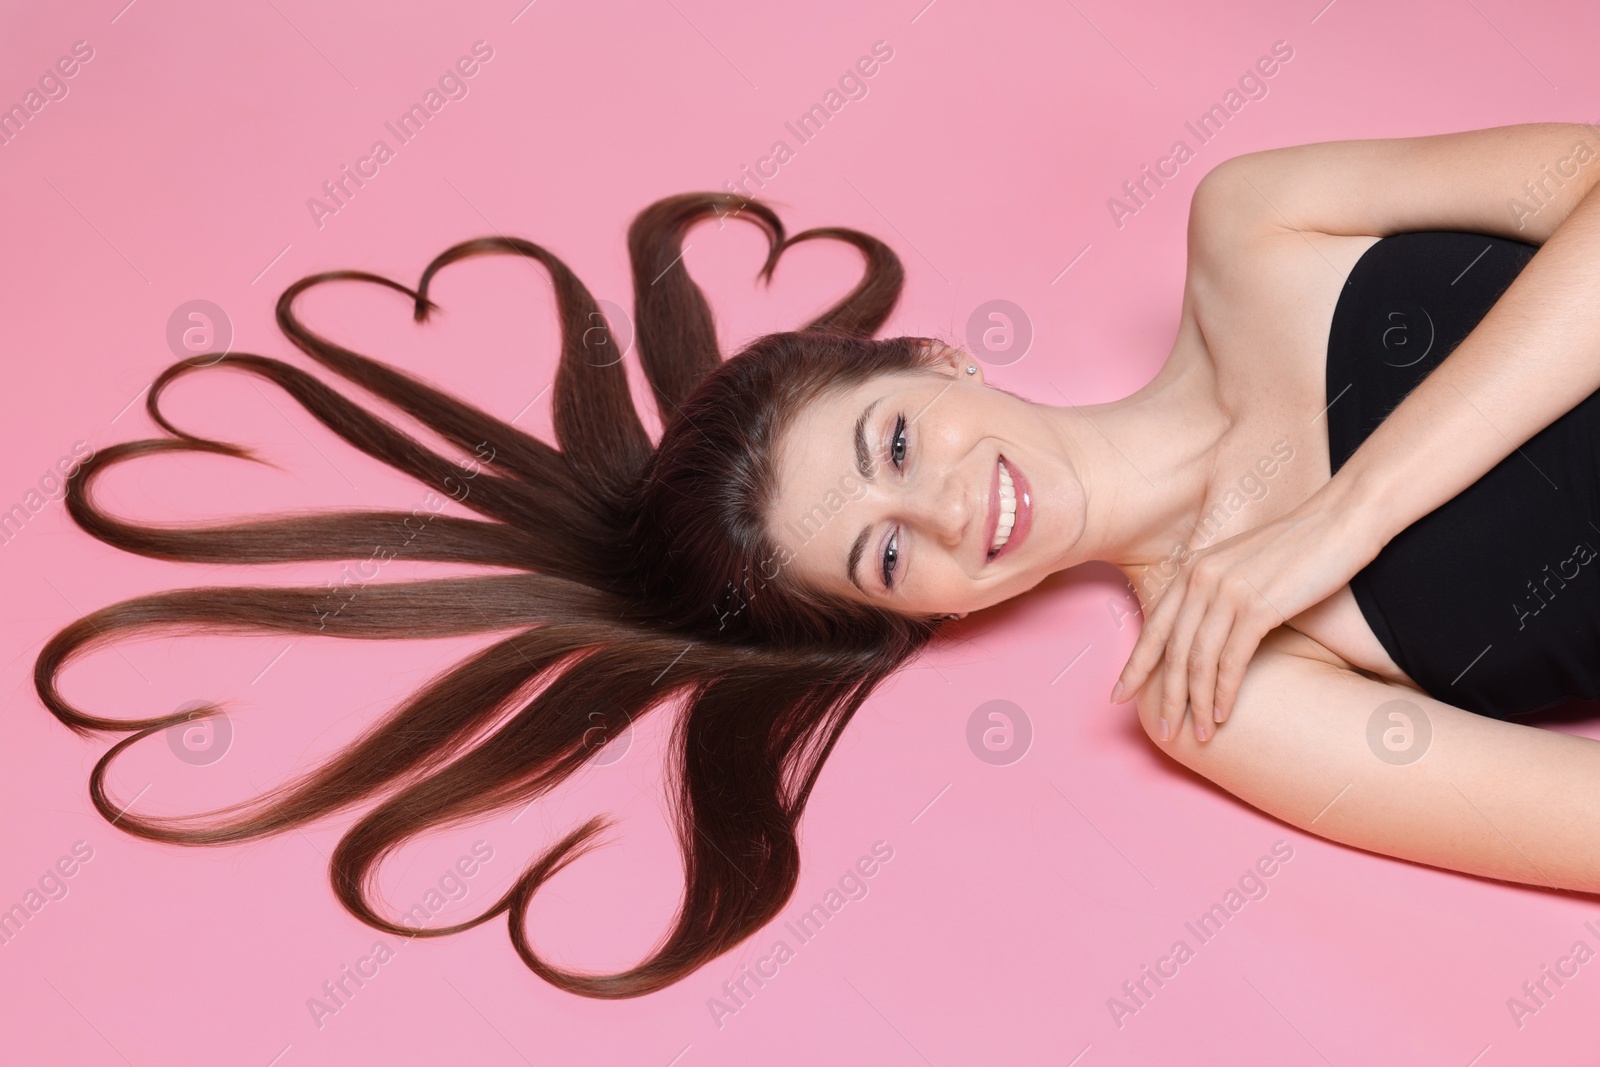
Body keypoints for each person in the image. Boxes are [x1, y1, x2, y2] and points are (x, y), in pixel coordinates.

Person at [36, 121, 1600, 1000]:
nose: (940, 513)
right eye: (882, 555)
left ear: (932, 360)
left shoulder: (1254, 225)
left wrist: (1347, 516)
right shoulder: (1218, 694)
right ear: (912, 620)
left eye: (895, 446)